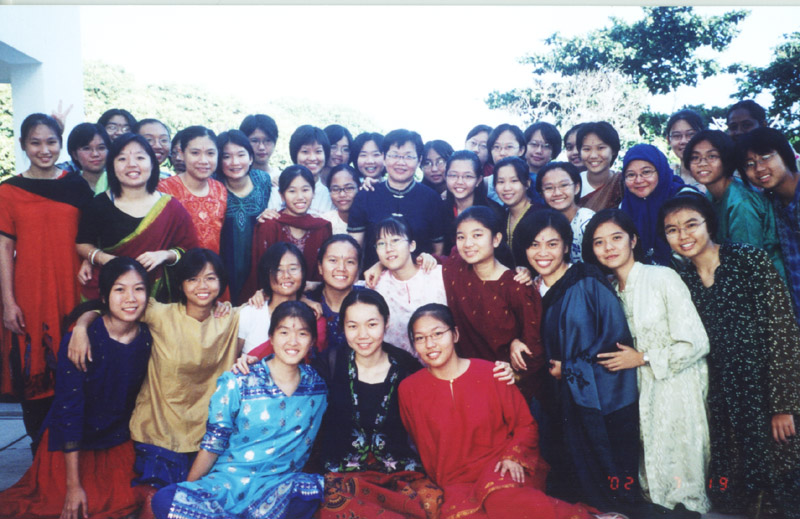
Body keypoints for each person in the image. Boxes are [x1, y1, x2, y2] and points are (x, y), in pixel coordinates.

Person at [67, 249, 242, 516]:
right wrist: (81, 326)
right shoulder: (161, 314)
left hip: (207, 436)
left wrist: (294, 296)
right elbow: (112, 304)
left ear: (221, 282)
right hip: (159, 430)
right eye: (193, 279)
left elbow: (276, 312)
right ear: (181, 284)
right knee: (156, 501)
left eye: (210, 278)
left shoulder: (231, 318)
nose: (202, 286)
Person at [659, 194, 800, 518]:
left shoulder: (748, 260)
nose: (683, 236)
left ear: (709, 224)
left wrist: (784, 406)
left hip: (765, 393)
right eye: (672, 230)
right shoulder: (682, 282)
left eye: (691, 225)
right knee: (736, 496)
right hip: (722, 400)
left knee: (782, 487)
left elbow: (782, 331)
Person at [399, 303, 600, 519]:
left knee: (502, 501)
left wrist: (513, 457)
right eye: (420, 338)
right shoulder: (409, 390)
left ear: (455, 334)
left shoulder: (492, 373)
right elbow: (425, 446)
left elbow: (525, 424)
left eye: (438, 334)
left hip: (502, 468)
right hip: (456, 483)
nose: (430, 344)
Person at [513, 210, 650, 516]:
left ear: (566, 246)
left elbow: (613, 340)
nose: (543, 253)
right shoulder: (528, 290)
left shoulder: (587, 279)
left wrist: (570, 369)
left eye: (552, 244)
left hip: (599, 401)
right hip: (551, 404)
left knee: (610, 496)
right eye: (534, 245)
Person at [0, 258, 153, 519]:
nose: (130, 298)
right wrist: (73, 486)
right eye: (119, 289)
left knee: (130, 500)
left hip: (116, 442)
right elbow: (68, 412)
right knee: (66, 507)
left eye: (138, 289)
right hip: (72, 446)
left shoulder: (148, 336)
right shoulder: (80, 341)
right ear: (103, 297)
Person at [150, 301, 328, 519]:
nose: (293, 341)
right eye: (284, 332)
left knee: (309, 490)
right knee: (165, 500)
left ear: (312, 341)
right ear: (271, 337)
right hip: (228, 483)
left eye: (302, 333)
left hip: (278, 488)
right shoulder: (239, 381)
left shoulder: (317, 387)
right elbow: (213, 443)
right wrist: (187, 490)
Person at [585, 209, 711, 513]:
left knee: (680, 481)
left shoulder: (662, 277)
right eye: (599, 242)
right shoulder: (607, 291)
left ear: (633, 240)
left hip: (677, 387)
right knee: (648, 478)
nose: (609, 247)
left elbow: (697, 342)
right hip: (636, 390)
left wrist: (642, 357)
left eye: (616, 238)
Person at [0, 113, 94, 452]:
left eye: (51, 142)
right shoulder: (8, 190)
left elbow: (91, 236)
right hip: (29, 293)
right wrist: (8, 302)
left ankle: (72, 456)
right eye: (35, 142)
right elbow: (4, 248)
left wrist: (89, 261)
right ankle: (40, 454)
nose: (44, 149)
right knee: (34, 372)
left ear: (60, 143)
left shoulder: (76, 185)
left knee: (77, 367)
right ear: (23, 145)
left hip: (73, 288)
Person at [310, 289, 441, 518]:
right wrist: (253, 363)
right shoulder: (329, 364)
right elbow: (292, 383)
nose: (363, 335)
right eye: (353, 326)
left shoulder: (406, 367)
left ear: (386, 323)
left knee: (431, 504)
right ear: (343, 327)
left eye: (371, 324)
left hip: (400, 475)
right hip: (343, 477)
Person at [75, 133, 199, 302]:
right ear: (112, 166)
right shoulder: (99, 204)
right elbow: (82, 243)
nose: (132, 164)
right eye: (122, 159)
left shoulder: (171, 207)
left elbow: (189, 251)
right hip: (108, 292)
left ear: (152, 164)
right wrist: (105, 259)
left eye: (140, 157)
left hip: (158, 298)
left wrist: (164, 255)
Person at [442, 206, 544, 403]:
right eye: (461, 237)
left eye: (477, 235)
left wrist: (515, 374)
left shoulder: (517, 287)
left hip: (506, 386)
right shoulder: (456, 267)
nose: (468, 243)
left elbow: (534, 349)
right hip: (465, 381)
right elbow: (431, 263)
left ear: (496, 239)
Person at [683, 129, 786, 279]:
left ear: (726, 159)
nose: (702, 163)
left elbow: (748, 261)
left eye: (712, 156)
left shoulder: (741, 202)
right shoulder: (711, 195)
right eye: (695, 157)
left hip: (765, 283)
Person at [348, 129, 446, 269]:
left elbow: (438, 250)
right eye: (394, 155)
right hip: (374, 278)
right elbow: (354, 249)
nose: (401, 162)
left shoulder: (431, 199)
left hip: (419, 277)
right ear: (384, 157)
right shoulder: (366, 196)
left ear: (419, 160)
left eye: (408, 157)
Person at [737, 127, 800, 326]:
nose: (759, 168)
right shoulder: (772, 202)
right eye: (749, 164)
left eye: (765, 157)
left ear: (785, 154)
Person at [246, 165, 332, 291]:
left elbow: (325, 272)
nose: (300, 197)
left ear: (313, 192)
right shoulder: (269, 226)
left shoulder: (321, 228)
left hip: (313, 297)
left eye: (305, 190)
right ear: (282, 195)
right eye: (292, 191)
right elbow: (260, 273)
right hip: (275, 296)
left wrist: (315, 286)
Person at [372, 217, 447, 355]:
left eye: (395, 240)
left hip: (442, 359)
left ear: (412, 245)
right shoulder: (375, 285)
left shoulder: (438, 275)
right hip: (399, 364)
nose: (389, 249)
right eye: (381, 243)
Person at [216, 130, 272, 304]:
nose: (235, 162)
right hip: (223, 265)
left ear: (250, 158)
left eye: (241, 155)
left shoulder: (263, 180)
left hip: (257, 263)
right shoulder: (213, 185)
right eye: (227, 156)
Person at [158, 126, 227, 254]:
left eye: (210, 153)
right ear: (182, 153)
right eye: (195, 153)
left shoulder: (220, 189)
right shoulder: (164, 189)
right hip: (176, 264)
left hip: (211, 264)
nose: (204, 161)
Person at [620, 144, 691, 266]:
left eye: (646, 172)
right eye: (631, 175)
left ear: (660, 171)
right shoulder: (625, 206)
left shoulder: (685, 199)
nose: (638, 180)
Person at [238, 242, 310, 354]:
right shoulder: (250, 313)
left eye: (293, 268)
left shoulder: (311, 314)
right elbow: (233, 359)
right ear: (266, 274)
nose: (286, 275)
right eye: (278, 270)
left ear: (303, 272)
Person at [306, 235, 365, 353]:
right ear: (320, 267)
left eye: (350, 262)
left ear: (358, 270)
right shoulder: (306, 303)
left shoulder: (368, 302)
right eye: (333, 260)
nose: (341, 268)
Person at [442, 150, 503, 254]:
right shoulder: (439, 209)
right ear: (445, 177)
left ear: (478, 180)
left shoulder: (494, 211)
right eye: (453, 175)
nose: (459, 182)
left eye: (468, 176)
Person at [267, 125, 335, 215]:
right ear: (295, 154)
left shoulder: (329, 196)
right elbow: (271, 218)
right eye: (305, 152)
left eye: (318, 151)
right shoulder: (279, 187)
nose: (312, 158)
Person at [535, 162, 594, 263]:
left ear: (576, 188)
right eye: (549, 188)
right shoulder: (545, 222)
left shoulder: (587, 221)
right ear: (541, 194)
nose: (557, 193)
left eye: (564, 185)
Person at [494, 156, 539, 251]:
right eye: (501, 182)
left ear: (527, 183)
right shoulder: (501, 216)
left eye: (514, 181)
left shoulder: (540, 215)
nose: (507, 188)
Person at [577, 122, 624, 211]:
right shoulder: (573, 183)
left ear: (613, 150)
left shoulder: (622, 184)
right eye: (587, 149)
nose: (593, 156)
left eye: (601, 148)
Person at [485, 123, 528, 205]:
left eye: (509, 147)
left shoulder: (532, 182)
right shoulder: (485, 185)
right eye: (496, 147)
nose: (502, 153)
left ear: (521, 150)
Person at [665, 109, 705, 191]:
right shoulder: (666, 176)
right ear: (668, 140)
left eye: (690, 134)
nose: (684, 141)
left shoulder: (715, 177)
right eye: (677, 136)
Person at [66, 122, 111, 193]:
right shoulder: (68, 187)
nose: (95, 154)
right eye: (87, 148)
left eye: (101, 148)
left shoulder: (120, 184)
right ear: (75, 155)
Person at [321, 164, 360, 234]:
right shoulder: (324, 223)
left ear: (359, 188)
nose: (342, 195)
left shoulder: (370, 219)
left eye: (349, 188)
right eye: (335, 189)